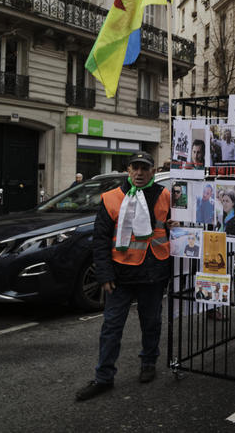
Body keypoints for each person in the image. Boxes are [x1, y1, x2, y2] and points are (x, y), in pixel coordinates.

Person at [76, 151, 171, 401]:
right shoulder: (111, 198)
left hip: (153, 274)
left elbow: (174, 232)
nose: (139, 173)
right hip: (120, 276)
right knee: (111, 328)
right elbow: (100, 239)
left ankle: (148, 363)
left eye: (144, 168)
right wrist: (104, 274)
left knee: (151, 323)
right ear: (128, 170)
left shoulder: (165, 195)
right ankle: (104, 377)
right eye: (135, 168)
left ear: (152, 171)